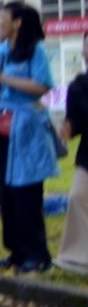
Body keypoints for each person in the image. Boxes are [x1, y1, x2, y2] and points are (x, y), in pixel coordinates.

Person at [0, 2, 57, 273]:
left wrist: (4, 78)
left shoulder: (36, 52)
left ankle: (38, 255)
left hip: (26, 131)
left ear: (18, 22)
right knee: (6, 193)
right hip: (1, 129)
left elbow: (41, 86)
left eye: (2, 16)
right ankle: (16, 252)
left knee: (27, 194)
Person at [58, 28, 88, 275]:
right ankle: (76, 256)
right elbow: (75, 121)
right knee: (77, 196)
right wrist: (69, 129)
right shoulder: (78, 86)